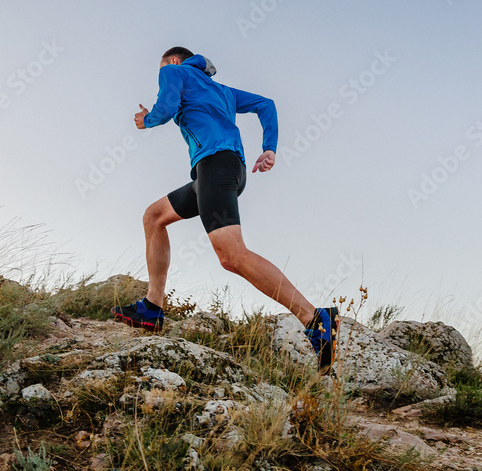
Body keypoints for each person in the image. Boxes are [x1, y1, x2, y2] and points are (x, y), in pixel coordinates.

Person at [111, 46, 339, 373]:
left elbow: (166, 107)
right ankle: (152, 306)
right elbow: (266, 105)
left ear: (173, 61)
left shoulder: (173, 71)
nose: (162, 77)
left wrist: (146, 120)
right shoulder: (222, 90)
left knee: (232, 256)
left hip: (215, 167)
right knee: (154, 216)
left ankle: (316, 319)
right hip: (228, 170)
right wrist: (269, 148)